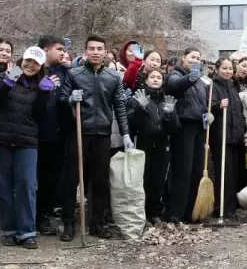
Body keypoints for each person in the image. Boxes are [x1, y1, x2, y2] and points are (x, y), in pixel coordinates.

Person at [57, 35, 132, 240]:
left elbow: (120, 107)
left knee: (100, 181)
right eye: (92, 48)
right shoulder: (74, 74)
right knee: (71, 179)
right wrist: (70, 99)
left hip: (102, 135)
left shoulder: (113, 77)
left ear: (105, 52)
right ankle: (69, 224)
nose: (96, 52)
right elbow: (61, 99)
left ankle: (97, 223)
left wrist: (125, 133)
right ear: (86, 51)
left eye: (100, 49)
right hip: (79, 133)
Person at [0, 47, 54, 248]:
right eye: (28, 61)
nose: (30, 65)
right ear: (22, 59)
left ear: (41, 66)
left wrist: (44, 94)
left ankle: (27, 232)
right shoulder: (9, 74)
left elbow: (41, 117)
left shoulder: (41, 84)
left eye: (36, 63)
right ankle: (8, 230)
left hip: (26, 141)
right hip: (0, 139)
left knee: (27, 185)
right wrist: (8, 82)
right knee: (4, 187)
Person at [163, 48, 210, 225]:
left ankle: (191, 211)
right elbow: (176, 85)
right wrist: (191, 78)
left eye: (198, 57)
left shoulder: (199, 81)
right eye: (192, 57)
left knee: (196, 170)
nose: (195, 60)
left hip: (199, 126)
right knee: (182, 170)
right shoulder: (175, 74)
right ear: (183, 58)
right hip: (183, 126)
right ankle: (175, 212)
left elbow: (201, 102)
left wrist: (207, 114)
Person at [129, 67, 179, 224]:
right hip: (143, 143)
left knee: (158, 181)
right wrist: (141, 109)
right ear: (146, 79)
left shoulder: (167, 100)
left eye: (159, 77)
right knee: (143, 179)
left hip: (162, 144)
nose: (156, 79)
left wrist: (170, 115)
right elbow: (132, 125)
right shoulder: (138, 98)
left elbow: (174, 128)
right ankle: (141, 213)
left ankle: (155, 213)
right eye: (152, 77)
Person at [34, 35, 70, 235]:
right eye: (58, 48)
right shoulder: (27, 66)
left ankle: (44, 216)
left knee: (51, 179)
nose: (62, 52)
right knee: (30, 180)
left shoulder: (65, 71)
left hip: (57, 135)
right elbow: (6, 87)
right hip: (31, 134)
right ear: (46, 49)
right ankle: (26, 217)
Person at [210, 57, 247, 222]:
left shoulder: (233, 86)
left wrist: (244, 131)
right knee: (224, 173)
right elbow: (209, 107)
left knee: (234, 173)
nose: (227, 72)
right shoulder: (213, 86)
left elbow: (239, 112)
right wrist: (218, 105)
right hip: (221, 136)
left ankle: (230, 206)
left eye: (229, 69)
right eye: (224, 68)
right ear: (218, 69)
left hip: (236, 136)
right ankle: (223, 208)